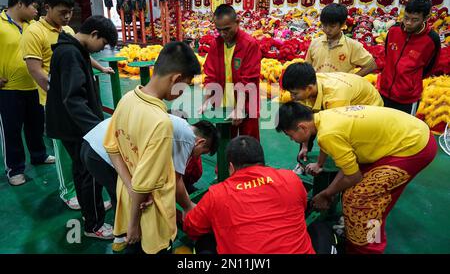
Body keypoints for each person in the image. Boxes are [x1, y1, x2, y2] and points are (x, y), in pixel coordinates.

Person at [276, 102, 437, 253]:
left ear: (302, 127)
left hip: (412, 146)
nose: (292, 140)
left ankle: (369, 248)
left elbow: (353, 176)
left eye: (291, 136)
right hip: (405, 136)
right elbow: (349, 169)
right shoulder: (323, 117)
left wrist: (326, 194)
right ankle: (367, 234)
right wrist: (329, 191)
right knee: (362, 199)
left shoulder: (328, 134)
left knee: (362, 201)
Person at [103, 41, 201, 254]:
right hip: (151, 215)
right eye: (185, 85)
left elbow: (111, 147)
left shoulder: (127, 99)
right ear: (175, 79)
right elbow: (143, 185)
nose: (183, 92)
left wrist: (129, 187)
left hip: (129, 199)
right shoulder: (160, 122)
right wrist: (133, 225)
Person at [21, 0, 113, 209]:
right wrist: (57, 92)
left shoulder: (69, 33)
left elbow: (84, 55)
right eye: (63, 12)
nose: (67, 17)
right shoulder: (34, 32)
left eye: (70, 12)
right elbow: (34, 69)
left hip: (71, 100)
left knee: (81, 159)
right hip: (54, 101)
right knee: (66, 155)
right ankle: (67, 191)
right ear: (47, 8)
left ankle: (86, 197)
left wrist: (100, 67)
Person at [81, 114, 219, 251]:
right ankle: (129, 236)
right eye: (202, 152)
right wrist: (188, 206)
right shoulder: (187, 139)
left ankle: (124, 234)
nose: (197, 156)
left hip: (94, 139)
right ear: (200, 142)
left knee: (124, 192)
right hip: (102, 152)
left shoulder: (176, 125)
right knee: (129, 198)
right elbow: (176, 180)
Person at [45, 15, 118, 239]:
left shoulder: (72, 49)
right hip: (76, 128)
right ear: (94, 34)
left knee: (81, 170)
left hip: (70, 126)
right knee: (90, 173)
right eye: (103, 44)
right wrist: (96, 131)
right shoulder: (70, 53)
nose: (101, 49)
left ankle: (90, 211)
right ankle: (93, 225)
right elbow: (73, 99)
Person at [183, 136, 316, 254]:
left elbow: (192, 228)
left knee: (205, 242)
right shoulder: (291, 178)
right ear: (262, 160)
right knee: (320, 230)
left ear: (231, 167)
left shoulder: (217, 194)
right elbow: (302, 207)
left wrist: (188, 210)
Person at [281, 62, 383, 174]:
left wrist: (319, 164)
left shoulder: (335, 97)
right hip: (351, 97)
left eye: (294, 93)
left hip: (369, 108)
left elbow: (330, 131)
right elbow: (307, 119)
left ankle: (357, 172)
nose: (292, 97)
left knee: (348, 140)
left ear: (309, 88)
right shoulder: (310, 84)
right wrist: (305, 146)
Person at [0, 0, 55, 186]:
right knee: (12, 129)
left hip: (35, 85)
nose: (36, 11)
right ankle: (15, 169)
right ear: (20, 4)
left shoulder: (33, 25)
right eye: (34, 7)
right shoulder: (0, 24)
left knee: (36, 125)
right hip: (9, 90)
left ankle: (39, 155)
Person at [200, 4, 261, 140]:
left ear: (237, 22)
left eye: (227, 29)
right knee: (224, 142)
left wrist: (239, 108)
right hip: (223, 103)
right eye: (219, 30)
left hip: (246, 103)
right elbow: (211, 75)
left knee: (248, 144)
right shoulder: (216, 44)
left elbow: (248, 81)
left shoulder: (250, 44)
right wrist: (206, 100)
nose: (223, 34)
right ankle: (224, 162)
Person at [378, 0, 441, 115]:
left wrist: (410, 82)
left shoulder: (431, 39)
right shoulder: (394, 31)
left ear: (426, 18)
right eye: (406, 17)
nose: (408, 23)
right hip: (384, 91)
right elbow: (388, 55)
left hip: (407, 98)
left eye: (415, 19)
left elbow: (430, 67)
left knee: (402, 131)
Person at [305, 3, 377, 76]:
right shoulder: (314, 43)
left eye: (332, 26)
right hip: (318, 86)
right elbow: (307, 68)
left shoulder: (352, 45)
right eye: (324, 25)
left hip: (341, 87)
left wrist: (352, 80)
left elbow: (371, 65)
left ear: (343, 24)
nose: (327, 29)